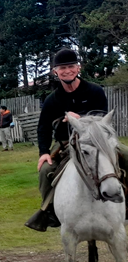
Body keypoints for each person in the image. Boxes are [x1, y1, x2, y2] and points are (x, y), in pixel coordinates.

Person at [25, 48, 110, 231]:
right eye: (62, 68)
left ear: (78, 68)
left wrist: (80, 119)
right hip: (64, 144)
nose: (67, 71)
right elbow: (44, 128)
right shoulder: (52, 100)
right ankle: (49, 211)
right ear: (55, 71)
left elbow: (102, 119)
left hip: (95, 141)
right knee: (44, 169)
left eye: (70, 66)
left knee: (125, 156)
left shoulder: (95, 91)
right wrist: (44, 153)